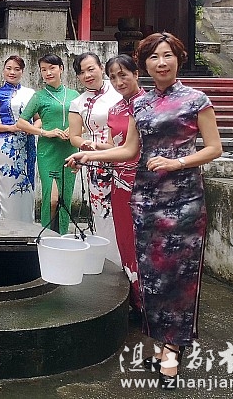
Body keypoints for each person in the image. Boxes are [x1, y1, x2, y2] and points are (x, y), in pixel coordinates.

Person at [66, 32, 223, 386]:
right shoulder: (141, 104)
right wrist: (88, 156)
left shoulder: (196, 99)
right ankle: (164, 344)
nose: (161, 63)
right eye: (154, 57)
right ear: (145, 65)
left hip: (184, 201)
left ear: (178, 59)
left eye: (167, 55)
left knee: (179, 275)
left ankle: (173, 351)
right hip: (146, 198)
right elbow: (128, 150)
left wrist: (177, 162)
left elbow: (214, 148)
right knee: (152, 275)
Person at [68, 52, 122, 263]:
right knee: (102, 211)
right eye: (82, 72)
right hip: (96, 161)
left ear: (101, 67)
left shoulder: (119, 91)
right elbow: (74, 136)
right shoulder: (77, 103)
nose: (87, 75)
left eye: (91, 69)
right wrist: (86, 146)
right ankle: (111, 260)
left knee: (125, 210)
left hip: (125, 156)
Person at [16, 54, 79, 234]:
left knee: (64, 198)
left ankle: (62, 236)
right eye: (44, 69)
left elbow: (84, 121)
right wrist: (45, 132)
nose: (48, 72)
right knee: (52, 199)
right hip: (47, 152)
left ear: (61, 69)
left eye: (52, 68)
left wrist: (74, 130)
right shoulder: (39, 96)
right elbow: (21, 122)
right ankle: (47, 236)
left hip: (69, 151)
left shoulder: (74, 95)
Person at [105, 54, 146, 313]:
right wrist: (92, 150)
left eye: (123, 75)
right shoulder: (114, 110)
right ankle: (134, 299)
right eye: (113, 77)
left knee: (145, 241)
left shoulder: (150, 104)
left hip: (146, 181)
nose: (119, 82)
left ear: (136, 73)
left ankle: (150, 301)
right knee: (125, 238)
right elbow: (115, 147)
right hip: (119, 181)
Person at [0, 55, 39, 221]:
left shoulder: (30, 94)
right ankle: (7, 227)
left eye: (17, 69)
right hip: (7, 148)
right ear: (3, 70)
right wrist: (10, 128)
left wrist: (33, 129)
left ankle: (27, 226)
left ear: (22, 72)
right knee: (8, 188)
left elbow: (38, 119)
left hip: (28, 145)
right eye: (9, 68)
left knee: (27, 187)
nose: (12, 72)